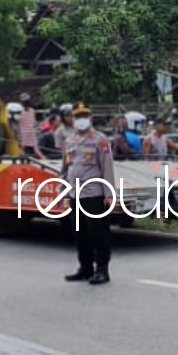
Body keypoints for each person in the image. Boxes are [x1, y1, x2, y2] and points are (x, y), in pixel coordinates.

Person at [61, 102, 116, 285]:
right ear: (73, 119)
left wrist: (109, 194)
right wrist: (63, 192)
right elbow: (65, 169)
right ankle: (85, 268)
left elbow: (107, 167)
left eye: (85, 116)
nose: (81, 120)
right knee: (79, 233)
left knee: (99, 233)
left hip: (93, 194)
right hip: (75, 194)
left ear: (91, 118)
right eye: (78, 116)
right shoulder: (69, 141)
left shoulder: (100, 140)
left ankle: (102, 270)